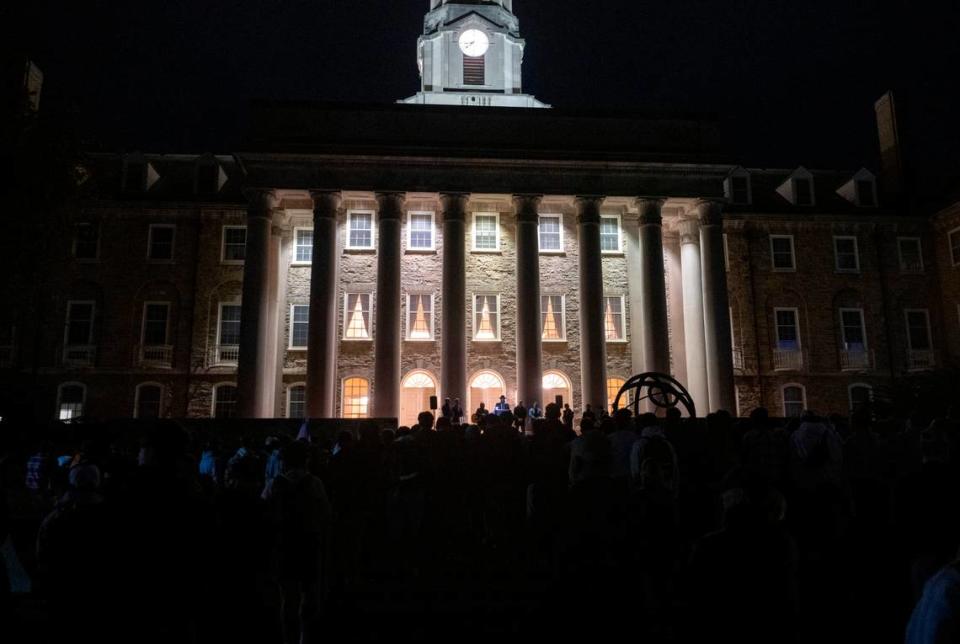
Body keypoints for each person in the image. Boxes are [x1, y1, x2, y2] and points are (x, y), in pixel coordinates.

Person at [264, 440, 331, 644]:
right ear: (306, 460)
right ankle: (305, 636)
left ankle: (289, 637)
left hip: (285, 542)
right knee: (309, 595)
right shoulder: (314, 482)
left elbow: (266, 511)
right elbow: (325, 513)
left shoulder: (275, 483)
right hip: (309, 542)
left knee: (288, 596)